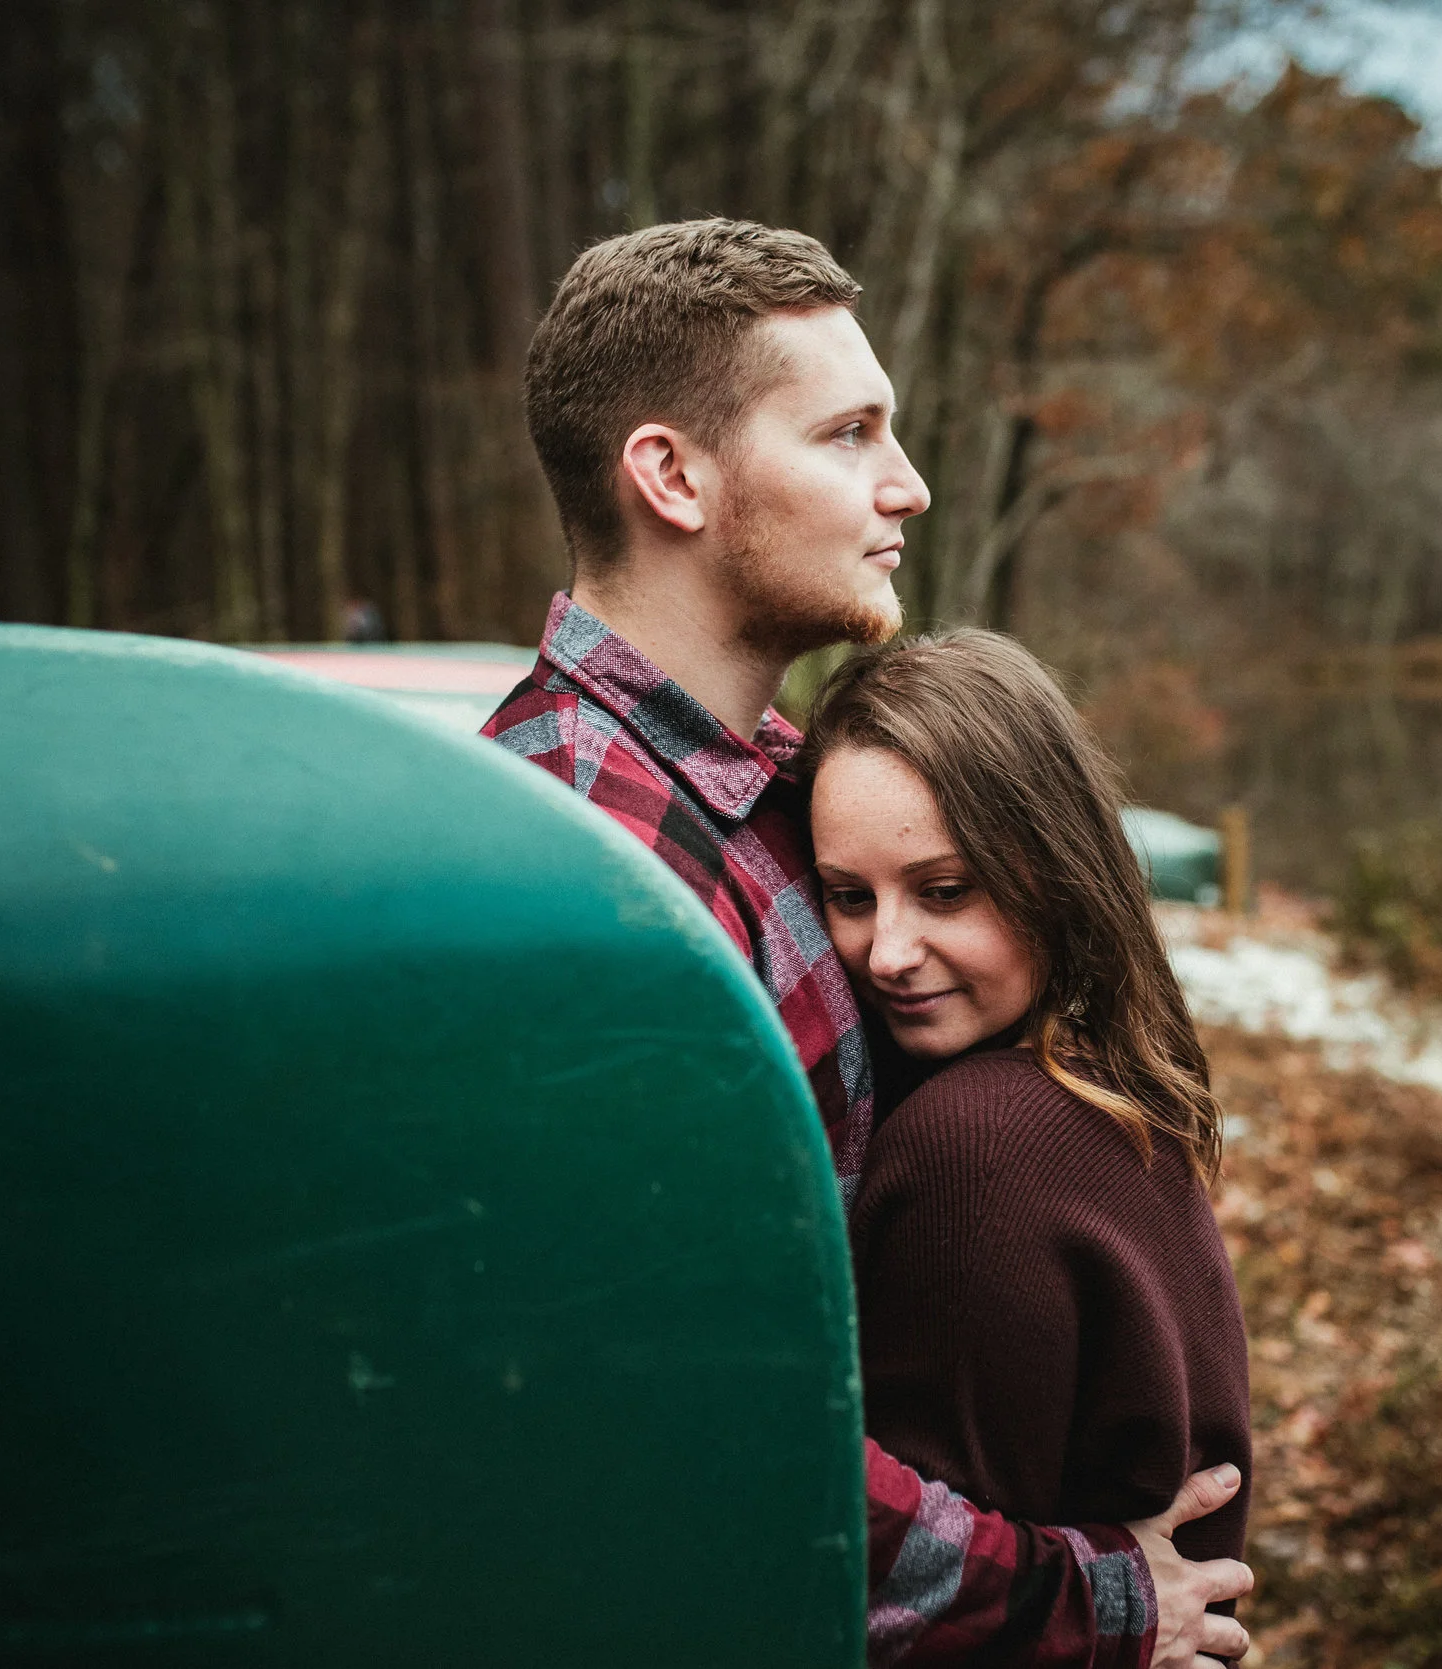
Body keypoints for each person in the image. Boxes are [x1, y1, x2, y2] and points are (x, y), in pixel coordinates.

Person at [482, 217, 1253, 1666]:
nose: (906, 485)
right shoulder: (585, 859)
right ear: (672, 476)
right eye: (848, 433)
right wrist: (1085, 1600)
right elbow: (688, 1426)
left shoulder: (772, 784)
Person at [802, 632, 1253, 1647]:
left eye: (945, 890)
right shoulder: (1108, 1081)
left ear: (1049, 871)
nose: (890, 952)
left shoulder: (974, 1149)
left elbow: (892, 1607)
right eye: (848, 896)